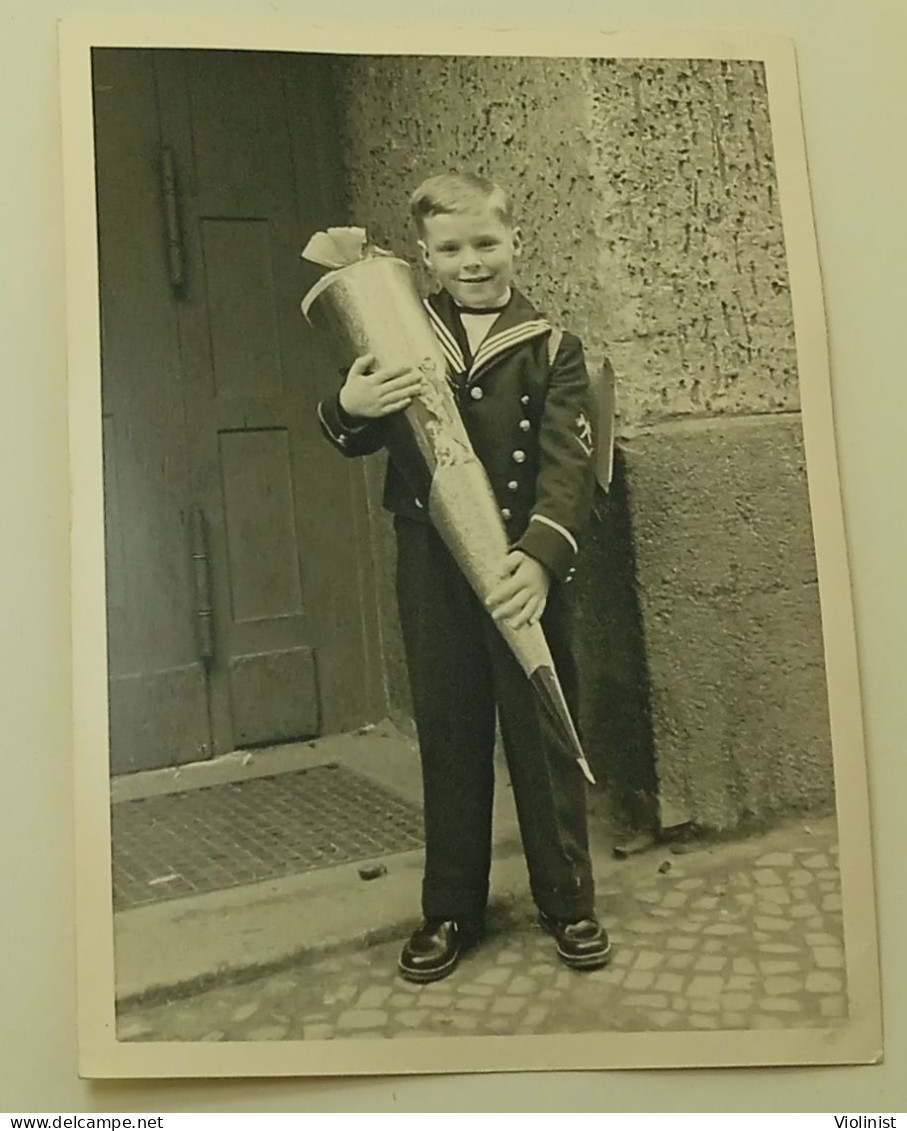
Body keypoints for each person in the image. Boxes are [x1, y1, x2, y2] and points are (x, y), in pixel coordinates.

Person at [317, 172, 610, 982]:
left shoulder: (551, 345)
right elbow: (357, 435)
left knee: (541, 728)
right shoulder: (400, 329)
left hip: (523, 569)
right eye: (450, 249)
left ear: (515, 239)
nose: (471, 261)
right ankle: (450, 906)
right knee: (449, 729)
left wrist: (543, 558)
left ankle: (567, 897)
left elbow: (569, 464)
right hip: (434, 564)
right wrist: (352, 400)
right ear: (423, 258)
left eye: (486, 242)